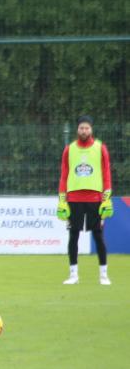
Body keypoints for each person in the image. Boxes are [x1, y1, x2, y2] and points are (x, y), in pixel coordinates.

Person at [57, 115, 113, 285]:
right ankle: (73, 275)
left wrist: (107, 198)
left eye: (87, 128)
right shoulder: (69, 149)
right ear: (77, 129)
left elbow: (106, 173)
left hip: (95, 198)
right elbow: (64, 175)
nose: (84, 130)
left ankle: (103, 275)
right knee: (73, 236)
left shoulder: (100, 147)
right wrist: (62, 199)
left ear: (91, 129)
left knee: (98, 235)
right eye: (81, 128)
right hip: (74, 198)